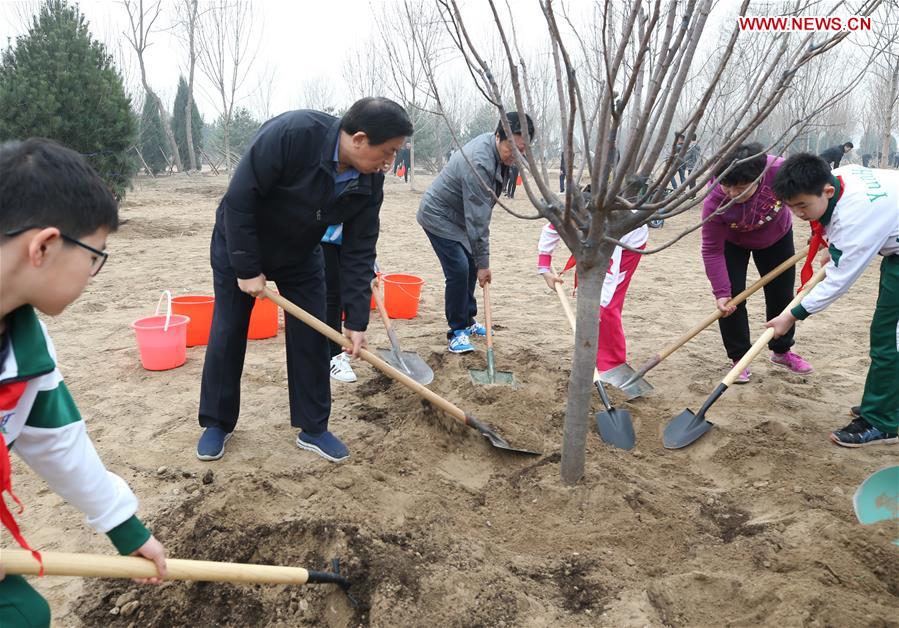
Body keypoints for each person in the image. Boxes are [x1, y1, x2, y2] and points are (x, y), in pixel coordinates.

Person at [0, 138, 168, 626]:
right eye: (95, 256)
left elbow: (59, 444)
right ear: (45, 246)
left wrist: (126, 530)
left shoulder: (26, 350)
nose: (94, 273)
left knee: (22, 613)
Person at [196, 97, 412, 463]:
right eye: (388, 152)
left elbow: (360, 250)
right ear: (359, 139)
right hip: (242, 243)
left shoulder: (370, 182)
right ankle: (217, 422)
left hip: (301, 253)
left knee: (312, 336)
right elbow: (239, 200)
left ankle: (314, 427)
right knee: (229, 330)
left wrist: (356, 320)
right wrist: (247, 268)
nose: (389, 164)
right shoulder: (292, 134)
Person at [767, 155, 898, 447]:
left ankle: (884, 422)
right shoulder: (839, 176)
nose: (799, 214)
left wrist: (791, 316)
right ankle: (887, 404)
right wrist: (834, 247)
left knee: (890, 338)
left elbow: (839, 281)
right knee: (888, 335)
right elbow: (840, 236)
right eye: (792, 207)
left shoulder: (856, 216)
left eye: (803, 205)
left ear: (826, 191)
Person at [418, 111, 535, 353]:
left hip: (460, 217)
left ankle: (469, 320)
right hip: (439, 215)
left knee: (470, 265)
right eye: (512, 147)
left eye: (522, 149)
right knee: (460, 268)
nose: (517, 154)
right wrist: (484, 264)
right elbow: (478, 220)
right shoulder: (479, 163)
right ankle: (457, 331)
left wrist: (478, 262)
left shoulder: (498, 154)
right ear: (498, 136)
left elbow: (476, 217)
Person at [701, 142, 813, 383]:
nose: (732, 194)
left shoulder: (780, 171)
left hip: (777, 236)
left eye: (741, 188)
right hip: (732, 243)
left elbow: (813, 196)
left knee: (782, 296)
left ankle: (781, 351)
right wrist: (721, 292)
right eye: (727, 186)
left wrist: (820, 230)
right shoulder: (714, 200)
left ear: (760, 177)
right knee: (731, 300)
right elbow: (711, 249)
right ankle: (739, 359)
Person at [537, 197, 648, 373]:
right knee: (592, 298)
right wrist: (544, 269)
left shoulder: (608, 228)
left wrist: (595, 313)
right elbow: (550, 230)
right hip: (595, 239)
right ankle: (593, 357)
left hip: (629, 242)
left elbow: (608, 282)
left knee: (608, 305)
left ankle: (611, 365)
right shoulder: (568, 212)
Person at [321, 223, 357, 383]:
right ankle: (332, 355)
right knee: (332, 295)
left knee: (341, 292)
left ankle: (337, 346)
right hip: (322, 234)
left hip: (346, 236)